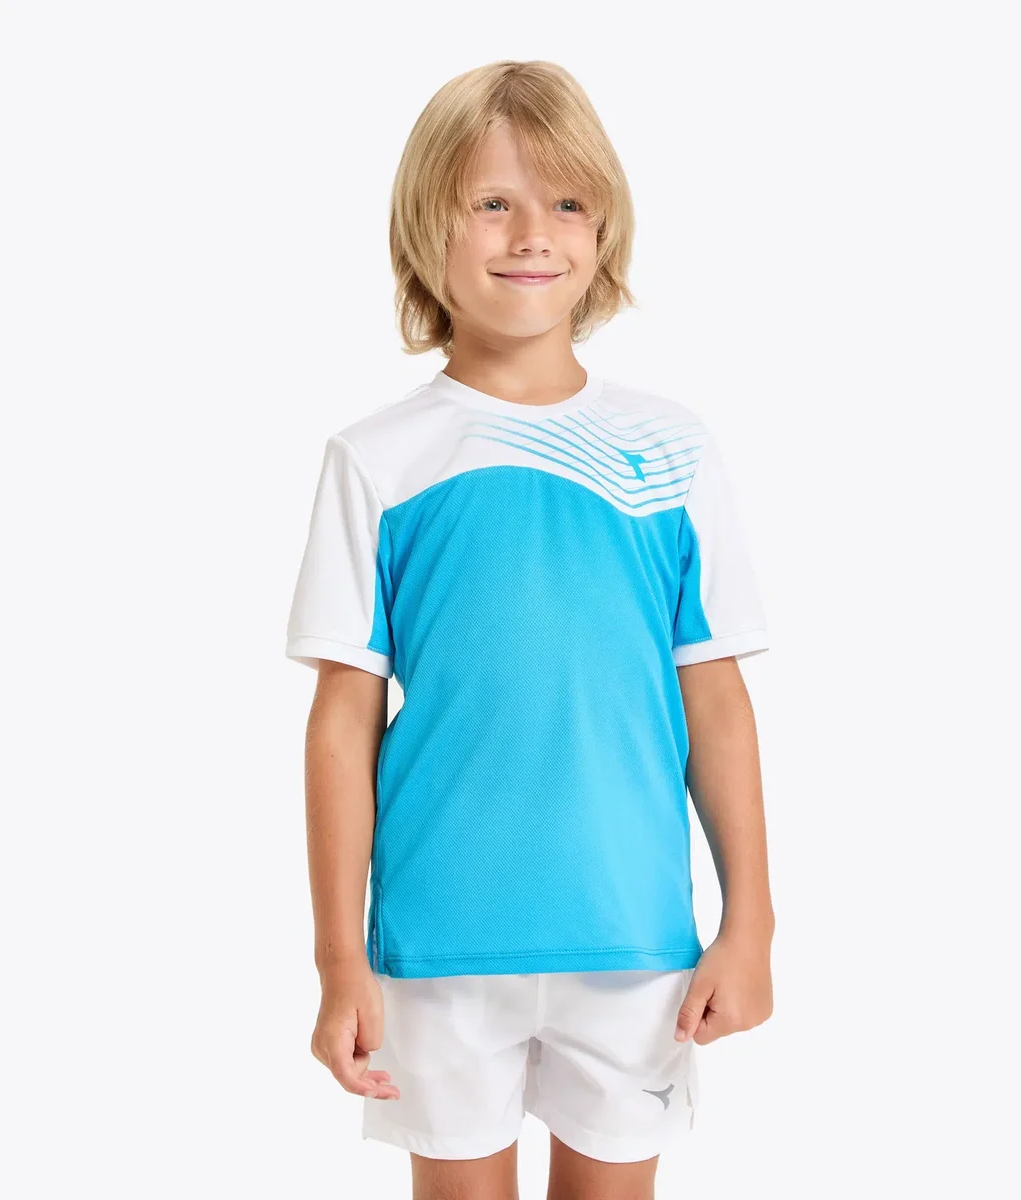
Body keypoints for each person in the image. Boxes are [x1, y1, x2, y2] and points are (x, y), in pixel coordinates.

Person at [285, 59, 774, 1200]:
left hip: (633, 937)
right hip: (437, 942)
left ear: (603, 231)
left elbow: (714, 701)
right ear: (428, 226)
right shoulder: (377, 460)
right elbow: (341, 723)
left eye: (565, 202)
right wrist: (338, 959)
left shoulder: (672, 451)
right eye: (490, 202)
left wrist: (748, 922)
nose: (530, 235)